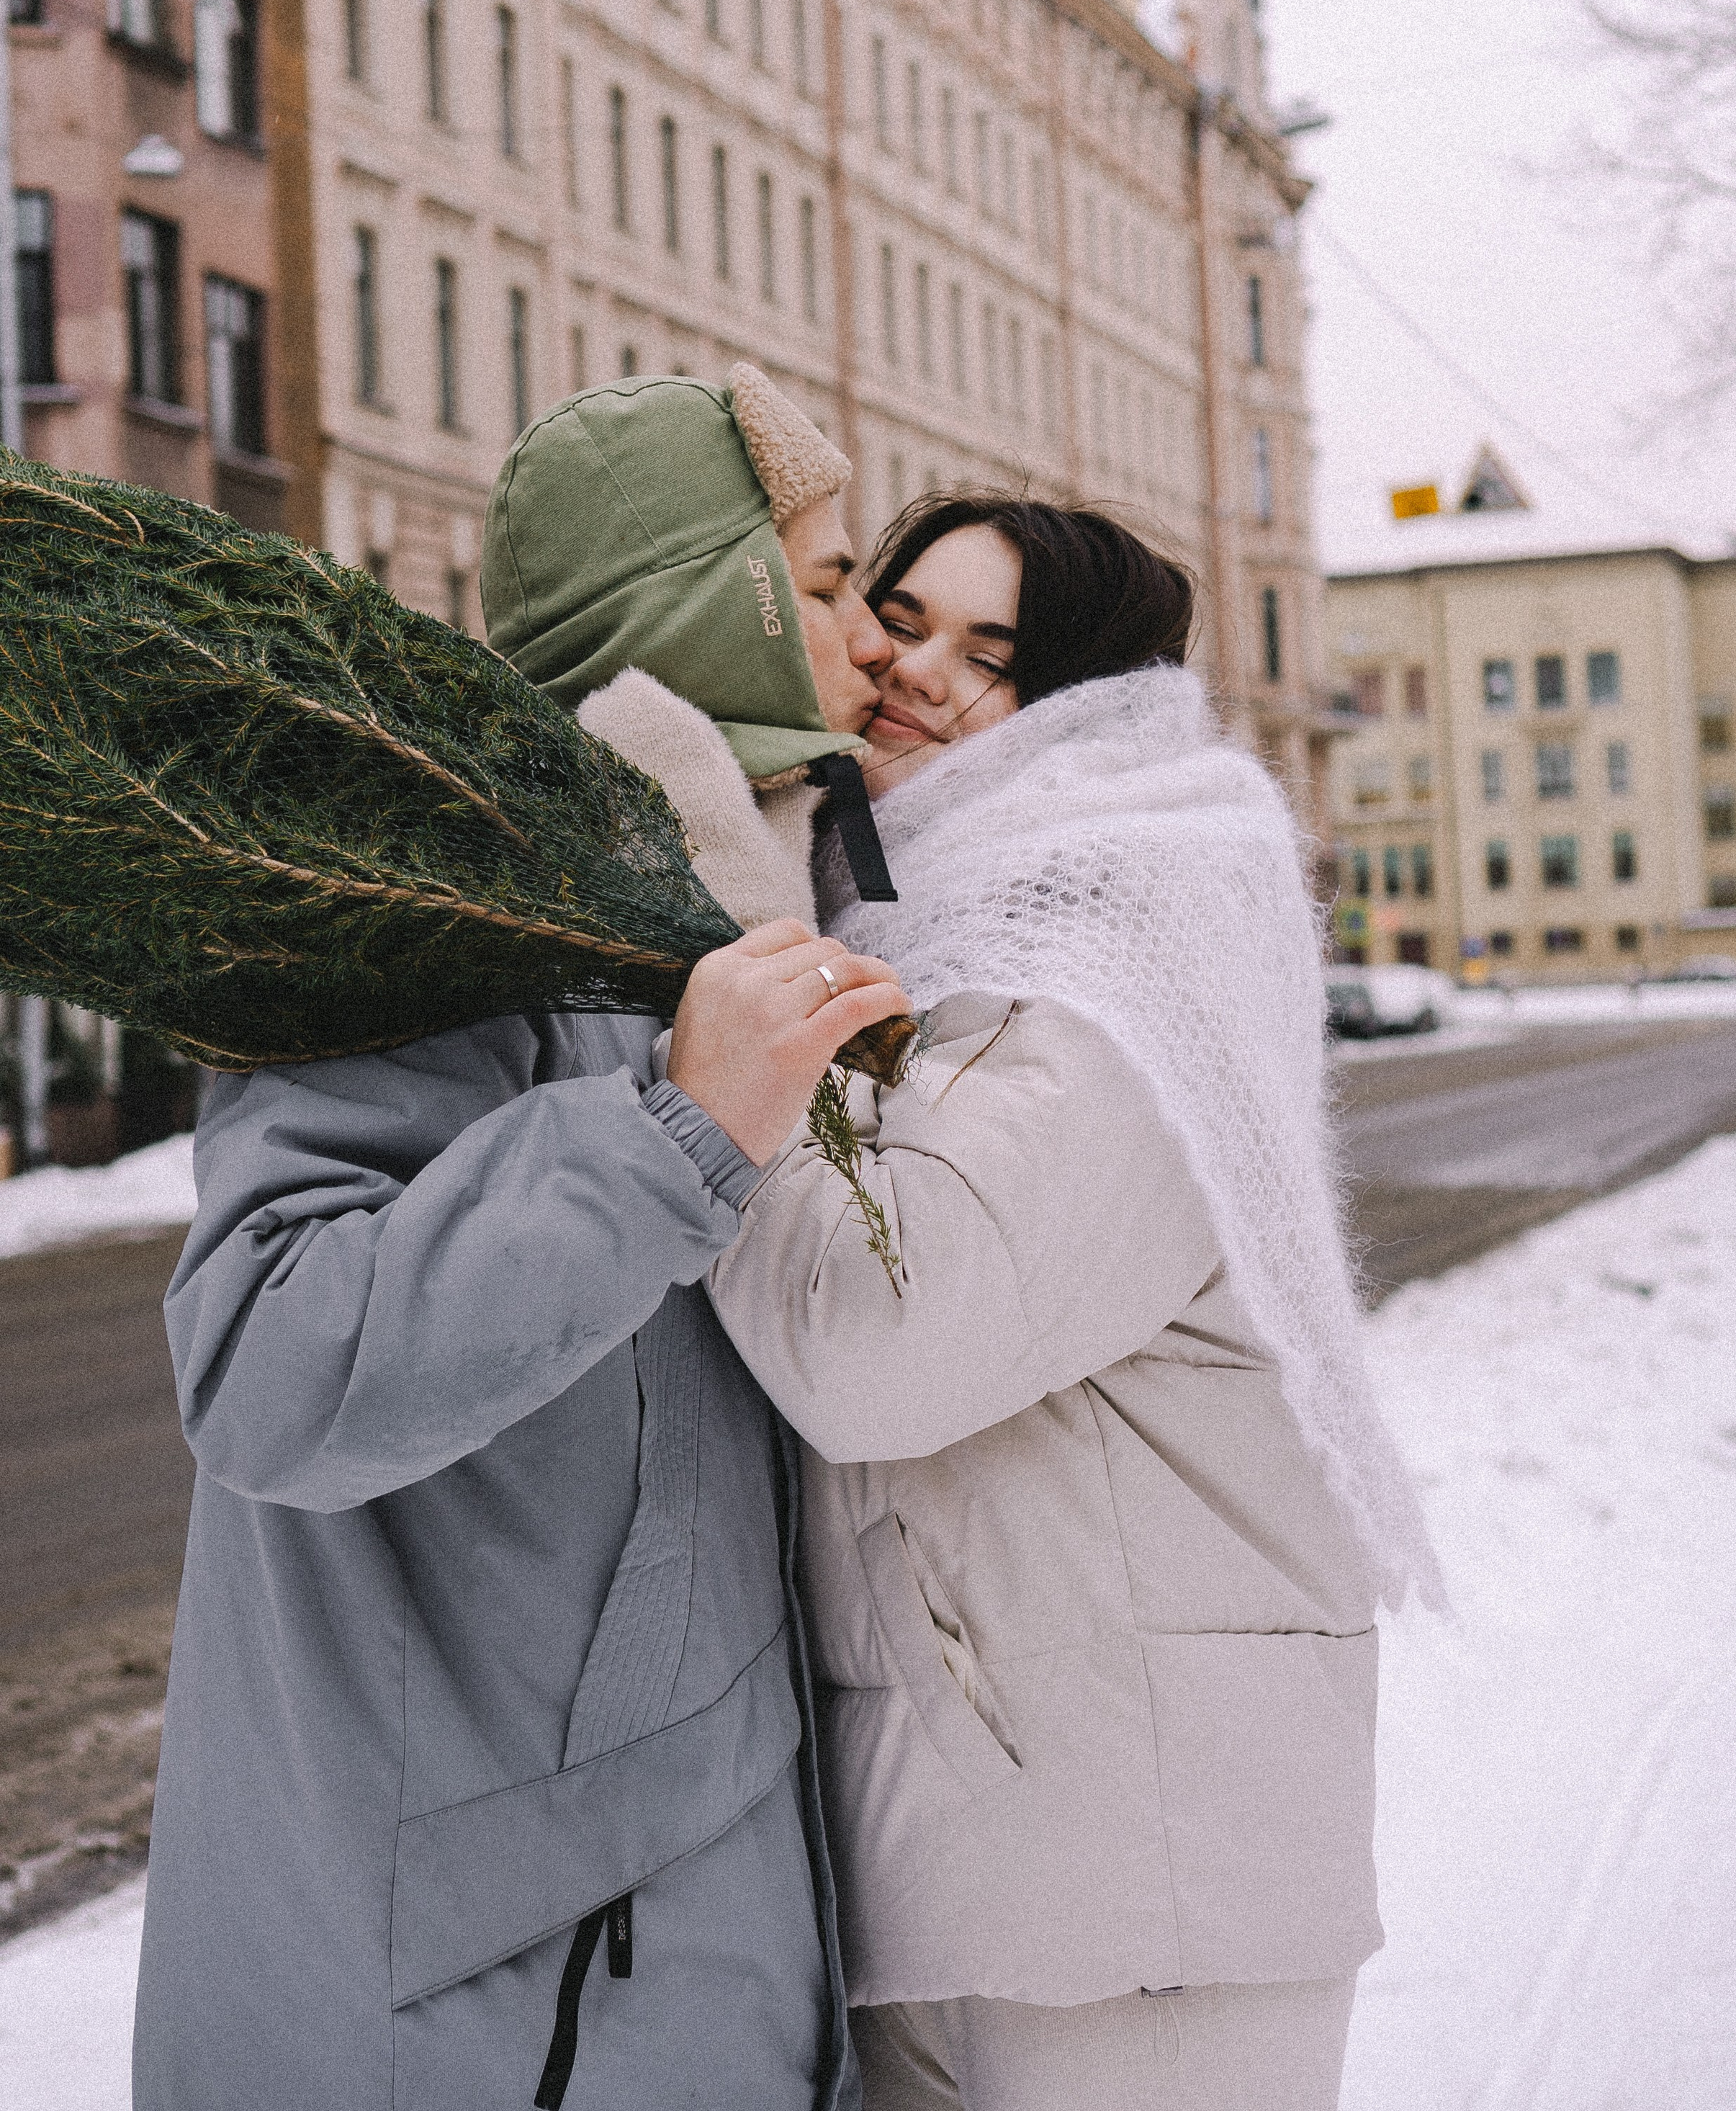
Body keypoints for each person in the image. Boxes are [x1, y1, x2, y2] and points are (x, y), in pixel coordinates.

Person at [134, 368, 909, 2111]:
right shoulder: (433, 911)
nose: (869, 643)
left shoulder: (722, 918)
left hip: (670, 1967)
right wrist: (667, 1137)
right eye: (827, 584)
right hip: (483, 2011)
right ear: (705, 600)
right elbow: (268, 1368)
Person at [708, 494, 1438, 2111]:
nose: (918, 673)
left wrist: (716, 1099)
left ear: (1086, 715)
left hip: (1142, 1872)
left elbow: (879, 1347)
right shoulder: (910, 923)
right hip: (999, 1835)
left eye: (997, 658)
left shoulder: (1123, 944)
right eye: (899, 616)